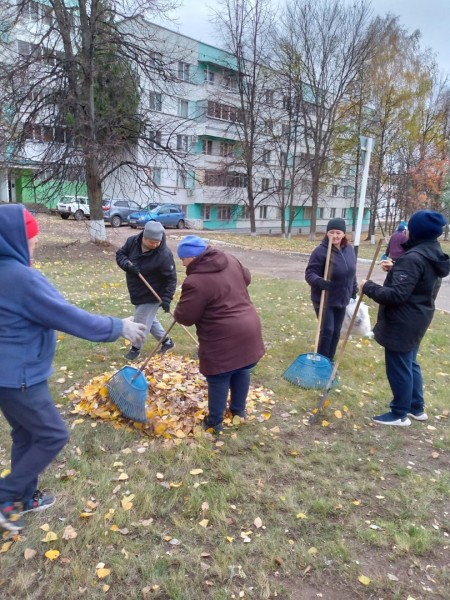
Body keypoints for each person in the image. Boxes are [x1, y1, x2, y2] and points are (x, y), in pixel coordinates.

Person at [0, 204, 146, 532]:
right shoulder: (21, 279)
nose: (34, 245)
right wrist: (117, 327)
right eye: (31, 240)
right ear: (14, 239)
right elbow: (65, 315)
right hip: (20, 377)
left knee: (26, 434)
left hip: (7, 378)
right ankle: (6, 494)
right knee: (53, 435)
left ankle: (21, 500)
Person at [360, 210, 450, 427]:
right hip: (419, 317)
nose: (407, 230)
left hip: (404, 321)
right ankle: (416, 408)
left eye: (410, 226)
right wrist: (396, 269)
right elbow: (419, 281)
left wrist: (367, 286)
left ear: (417, 231)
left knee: (399, 365)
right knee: (410, 362)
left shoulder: (414, 258)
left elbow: (396, 295)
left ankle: (399, 413)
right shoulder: (431, 253)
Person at [173, 235, 265, 434]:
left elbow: (186, 317)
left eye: (183, 258)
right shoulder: (230, 259)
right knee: (241, 369)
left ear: (192, 257)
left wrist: (179, 310)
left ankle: (214, 422)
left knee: (219, 377)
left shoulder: (195, 281)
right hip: (249, 327)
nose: (182, 263)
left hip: (223, 337)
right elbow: (247, 277)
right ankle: (238, 412)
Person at [116, 220, 177, 360]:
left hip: (154, 293)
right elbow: (120, 255)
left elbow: (171, 278)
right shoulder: (132, 242)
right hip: (137, 290)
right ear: (144, 236)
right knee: (151, 320)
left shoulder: (164, 254)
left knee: (140, 321)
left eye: (157, 242)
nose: (155, 245)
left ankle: (135, 349)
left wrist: (167, 298)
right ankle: (167, 342)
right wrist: (127, 265)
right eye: (152, 242)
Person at [305, 218, 357, 361]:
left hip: (342, 298)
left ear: (344, 234)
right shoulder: (320, 252)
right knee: (327, 330)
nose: (335, 236)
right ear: (327, 233)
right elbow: (310, 273)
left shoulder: (349, 250)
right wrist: (319, 281)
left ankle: (329, 360)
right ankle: (321, 360)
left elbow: (351, 271)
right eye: (331, 232)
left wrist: (354, 287)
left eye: (338, 232)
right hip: (325, 299)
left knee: (336, 331)